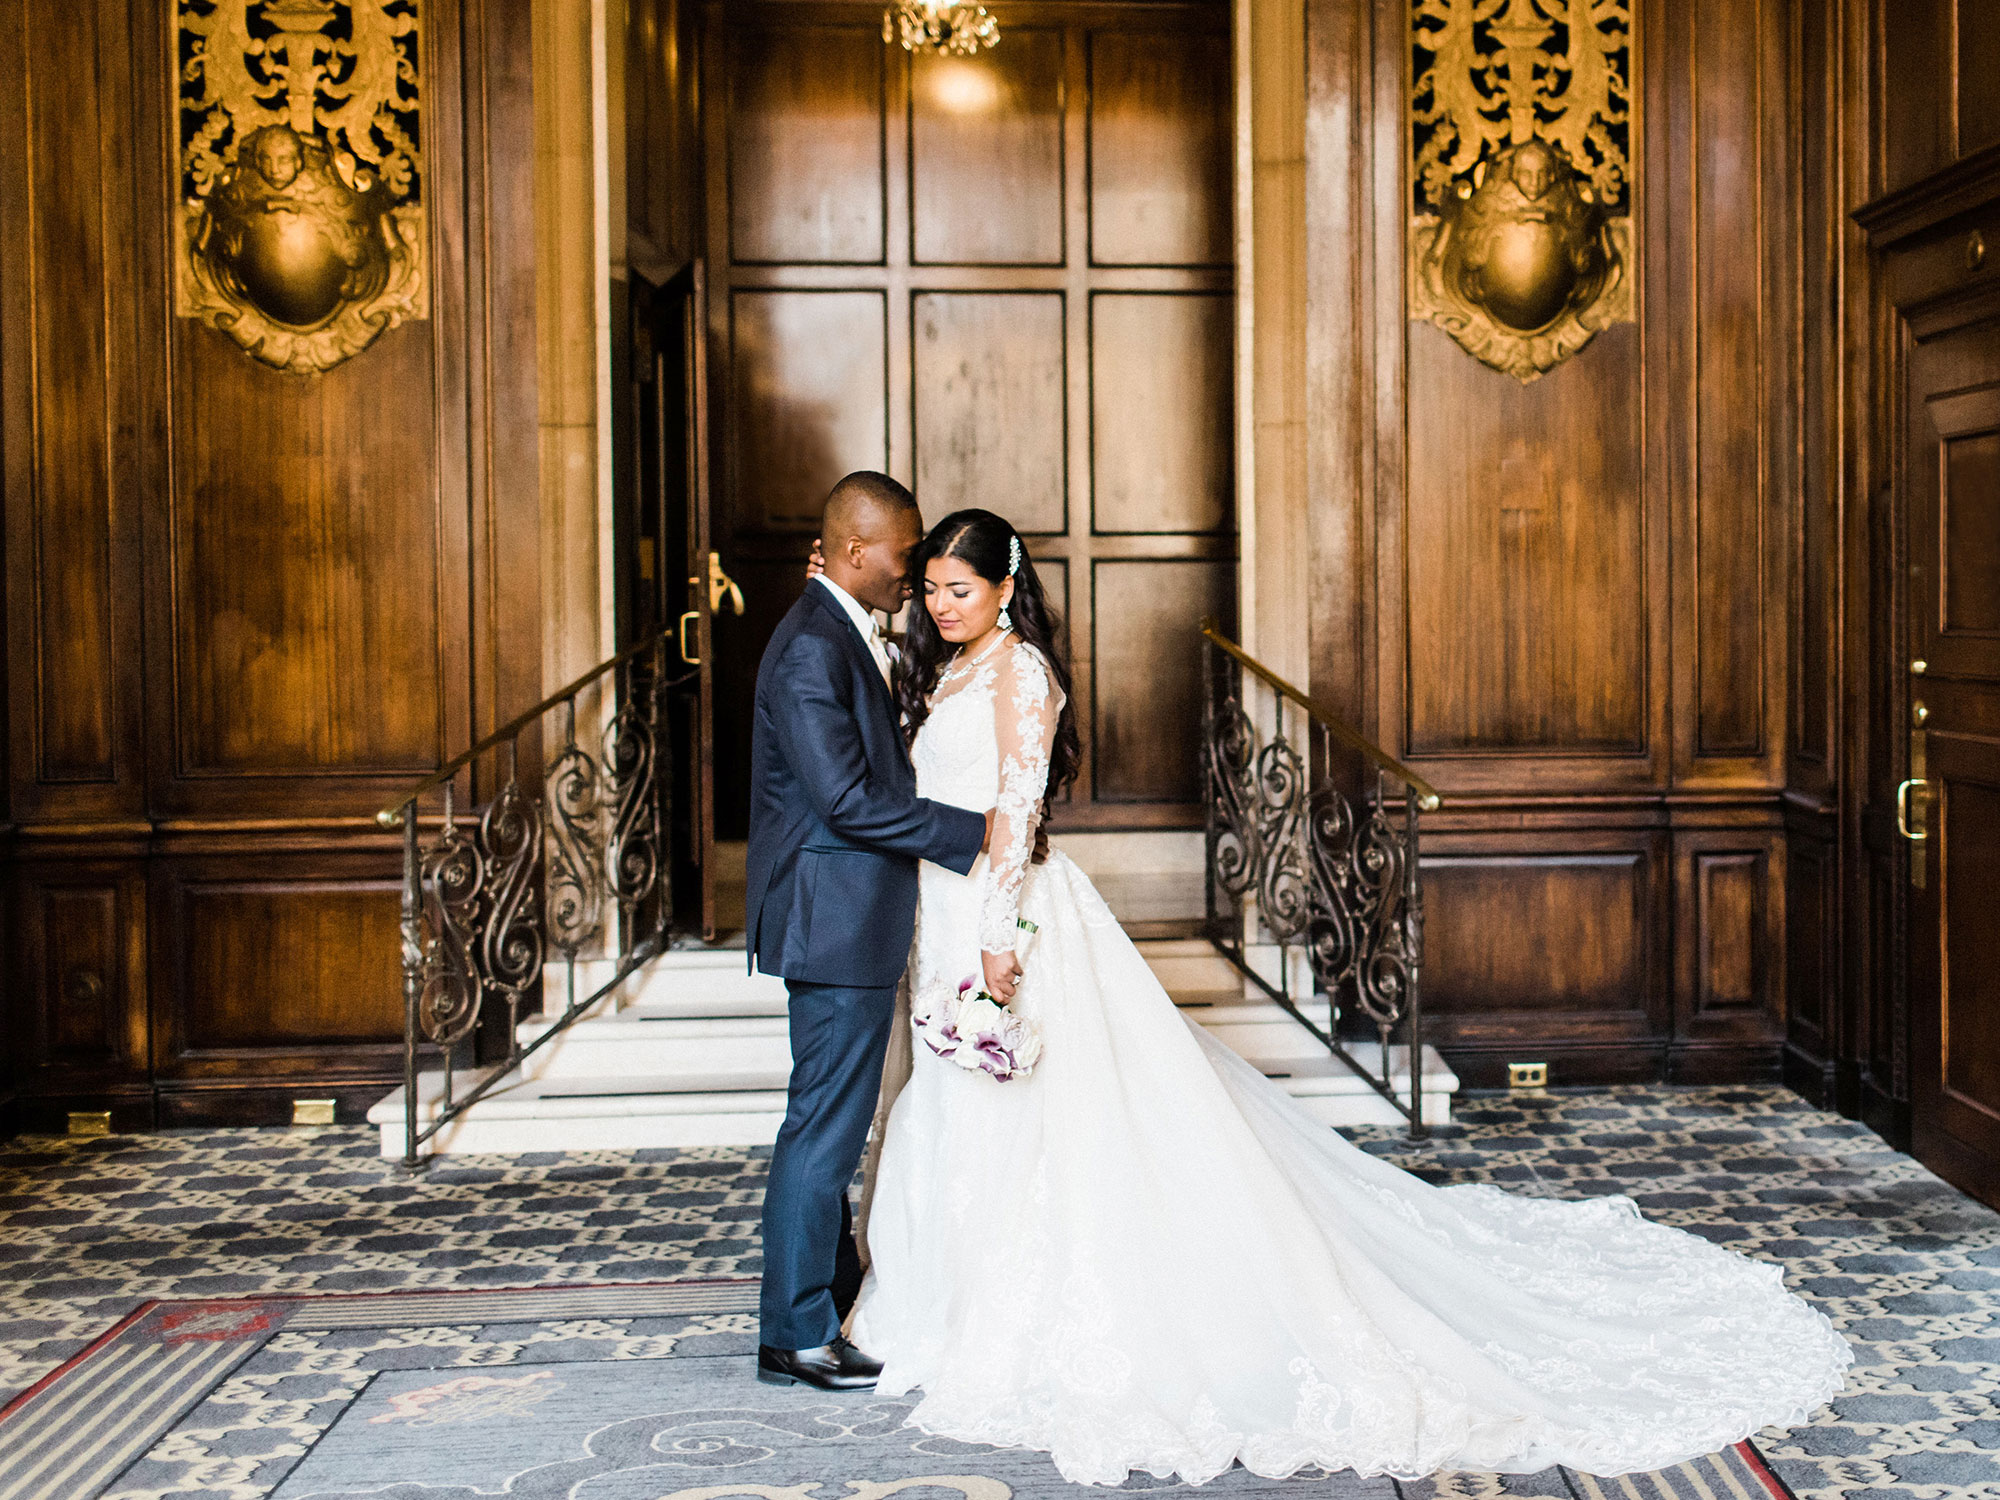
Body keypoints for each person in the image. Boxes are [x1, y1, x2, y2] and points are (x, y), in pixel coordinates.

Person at [842, 506, 1852, 1486]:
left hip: (1002, 920)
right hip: (942, 913)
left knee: (1044, 1109)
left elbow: (1016, 806)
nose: (940, 605)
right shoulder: (949, 666)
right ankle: (953, 1300)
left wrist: (995, 937)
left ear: (1008, 587)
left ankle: (1039, 1315)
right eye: (929, 589)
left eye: (959, 589)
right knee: (966, 1105)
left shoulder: (1021, 671)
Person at [744, 472, 991, 1393]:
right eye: (906, 549)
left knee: (833, 1126)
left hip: (849, 912)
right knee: (824, 1130)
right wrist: (973, 834)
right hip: (832, 915)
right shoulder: (813, 645)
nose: (917, 566)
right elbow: (845, 799)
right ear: (856, 551)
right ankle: (794, 1335)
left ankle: (826, 1301)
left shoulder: (843, 628)